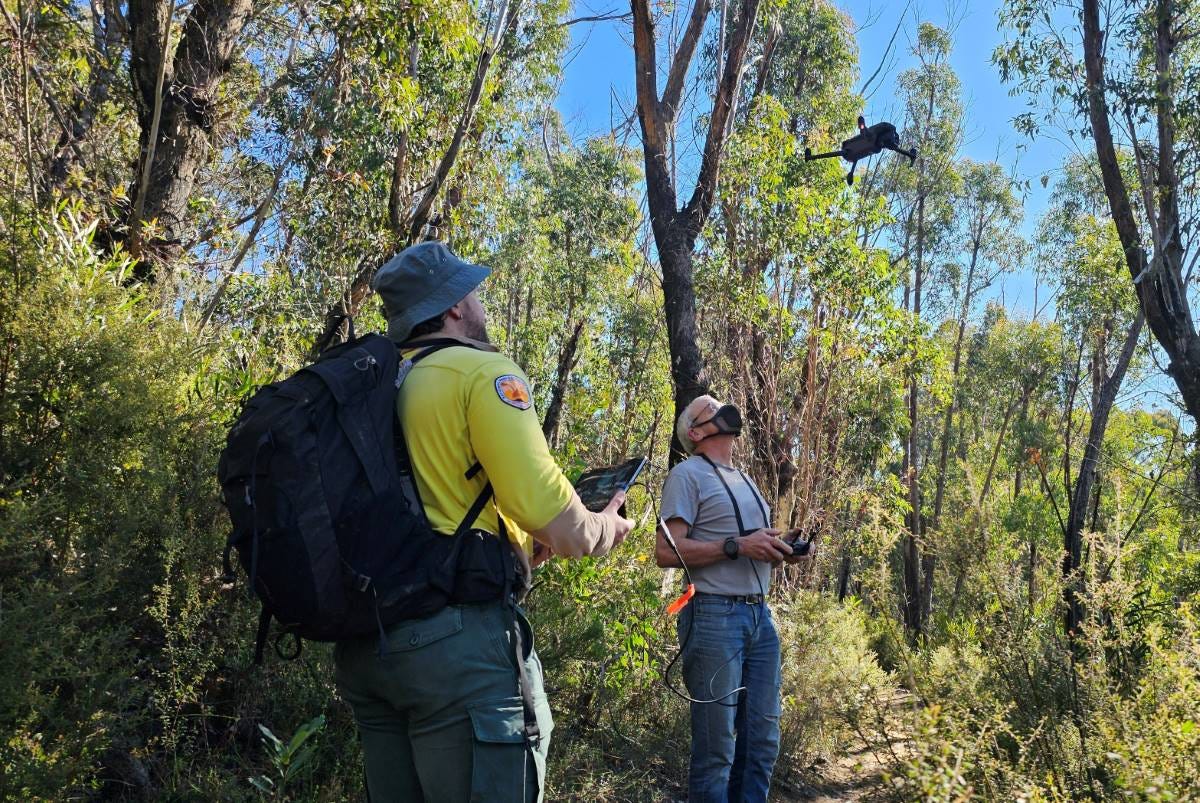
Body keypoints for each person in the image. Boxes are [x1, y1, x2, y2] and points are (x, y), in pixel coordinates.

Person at [334, 241, 633, 802]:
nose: (479, 303)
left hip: (368, 647)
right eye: (473, 292)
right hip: (455, 649)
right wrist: (600, 528)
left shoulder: (371, 384)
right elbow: (545, 505)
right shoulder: (481, 371)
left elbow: (429, 497)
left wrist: (519, 545)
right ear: (453, 306)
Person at [655, 395, 812, 803]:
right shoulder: (686, 475)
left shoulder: (745, 480)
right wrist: (737, 546)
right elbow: (666, 552)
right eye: (710, 408)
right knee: (717, 752)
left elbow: (749, 546)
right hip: (713, 617)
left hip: (761, 619)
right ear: (694, 432)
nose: (722, 408)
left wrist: (780, 549)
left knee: (762, 743)